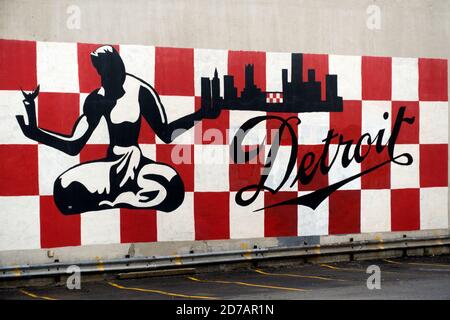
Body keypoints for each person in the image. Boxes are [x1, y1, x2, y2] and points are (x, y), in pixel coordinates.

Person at [16, 45, 215, 214]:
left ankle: (114, 199)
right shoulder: (97, 98)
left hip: (138, 166)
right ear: (100, 72)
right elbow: (74, 146)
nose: (109, 78)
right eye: (104, 73)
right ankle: (125, 198)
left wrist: (200, 114)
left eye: (113, 71)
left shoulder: (140, 90)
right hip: (110, 167)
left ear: (120, 68)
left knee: (174, 187)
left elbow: (166, 133)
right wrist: (33, 128)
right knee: (63, 189)